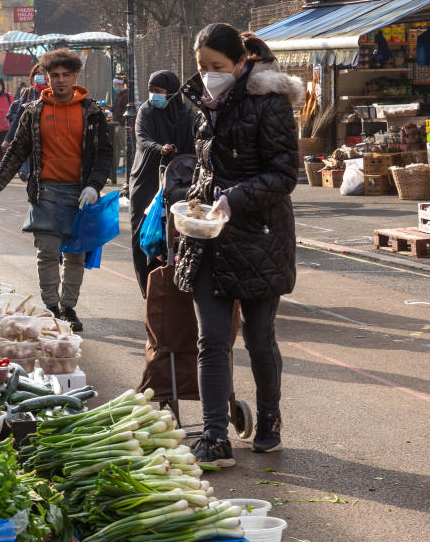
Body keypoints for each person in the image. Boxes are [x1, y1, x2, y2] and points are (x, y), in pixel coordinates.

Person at [175, 23, 301, 468]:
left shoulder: (270, 104)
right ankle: (214, 436)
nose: (209, 75)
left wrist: (233, 198)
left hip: (258, 238)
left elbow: (285, 174)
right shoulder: (202, 104)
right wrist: (191, 199)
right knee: (211, 340)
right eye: (201, 66)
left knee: (259, 337)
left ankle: (269, 419)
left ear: (241, 63)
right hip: (209, 236)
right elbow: (204, 167)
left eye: (218, 67)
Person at [0, 49, 112, 332]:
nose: (60, 80)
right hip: (46, 193)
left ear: (75, 77)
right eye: (55, 76)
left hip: (81, 196)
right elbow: (16, 152)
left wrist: (94, 185)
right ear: (47, 79)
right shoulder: (34, 112)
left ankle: (69, 307)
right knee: (48, 254)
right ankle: (52, 308)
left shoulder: (92, 112)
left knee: (77, 256)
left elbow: (104, 155)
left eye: (66, 75)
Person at [128, 70, 195, 297]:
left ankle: (175, 284)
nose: (153, 95)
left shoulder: (187, 114)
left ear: (172, 93)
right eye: (151, 91)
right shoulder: (145, 110)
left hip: (179, 181)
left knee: (175, 234)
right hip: (146, 179)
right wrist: (161, 149)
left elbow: (195, 143)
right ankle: (148, 288)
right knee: (142, 232)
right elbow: (142, 138)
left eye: (159, 91)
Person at [2, 64, 46, 181]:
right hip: (30, 136)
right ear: (32, 77)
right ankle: (24, 173)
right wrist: (8, 139)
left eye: (42, 73)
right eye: (37, 74)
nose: (40, 76)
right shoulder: (28, 94)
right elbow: (18, 118)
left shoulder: (52, 93)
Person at [110, 76, 129, 182]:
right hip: (116, 124)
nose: (114, 87)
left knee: (123, 146)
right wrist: (110, 108)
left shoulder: (126, 95)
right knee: (116, 147)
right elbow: (117, 109)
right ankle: (116, 166)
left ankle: (126, 167)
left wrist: (121, 123)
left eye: (115, 85)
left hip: (120, 125)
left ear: (120, 85)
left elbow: (125, 110)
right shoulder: (119, 95)